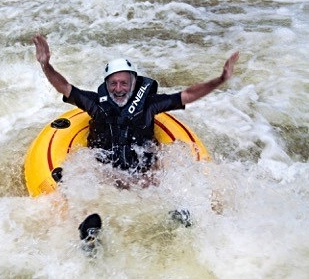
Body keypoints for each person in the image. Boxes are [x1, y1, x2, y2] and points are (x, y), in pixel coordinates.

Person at [32, 34, 240, 251]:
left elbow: (187, 95)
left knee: (170, 157)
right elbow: (64, 87)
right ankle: (89, 230)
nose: (119, 88)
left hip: (142, 174)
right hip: (105, 172)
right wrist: (46, 64)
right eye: (113, 83)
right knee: (83, 168)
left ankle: (177, 218)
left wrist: (220, 79)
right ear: (106, 84)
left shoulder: (150, 104)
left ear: (133, 83)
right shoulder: (94, 103)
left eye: (124, 83)